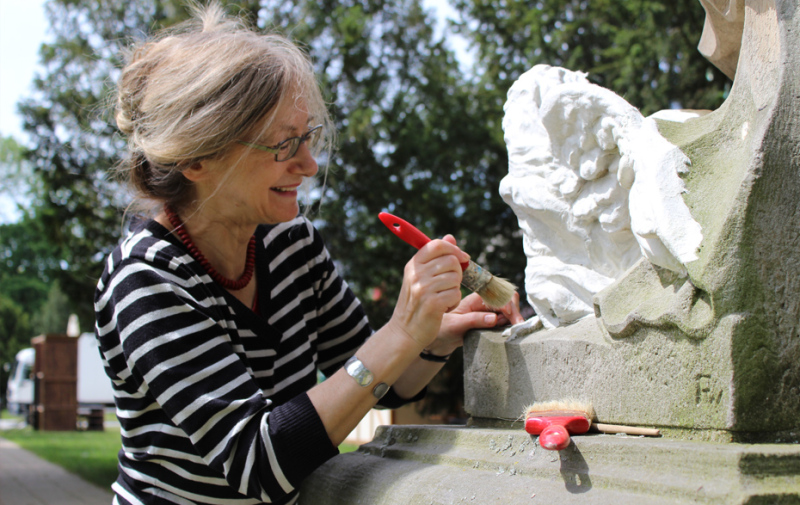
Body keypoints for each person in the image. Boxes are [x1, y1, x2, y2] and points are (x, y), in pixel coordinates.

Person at [95, 3, 523, 504]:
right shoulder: (146, 279)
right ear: (197, 158)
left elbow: (380, 381)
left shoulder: (288, 240)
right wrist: (400, 331)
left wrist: (435, 333)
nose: (308, 163)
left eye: (308, 137)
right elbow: (260, 461)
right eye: (282, 145)